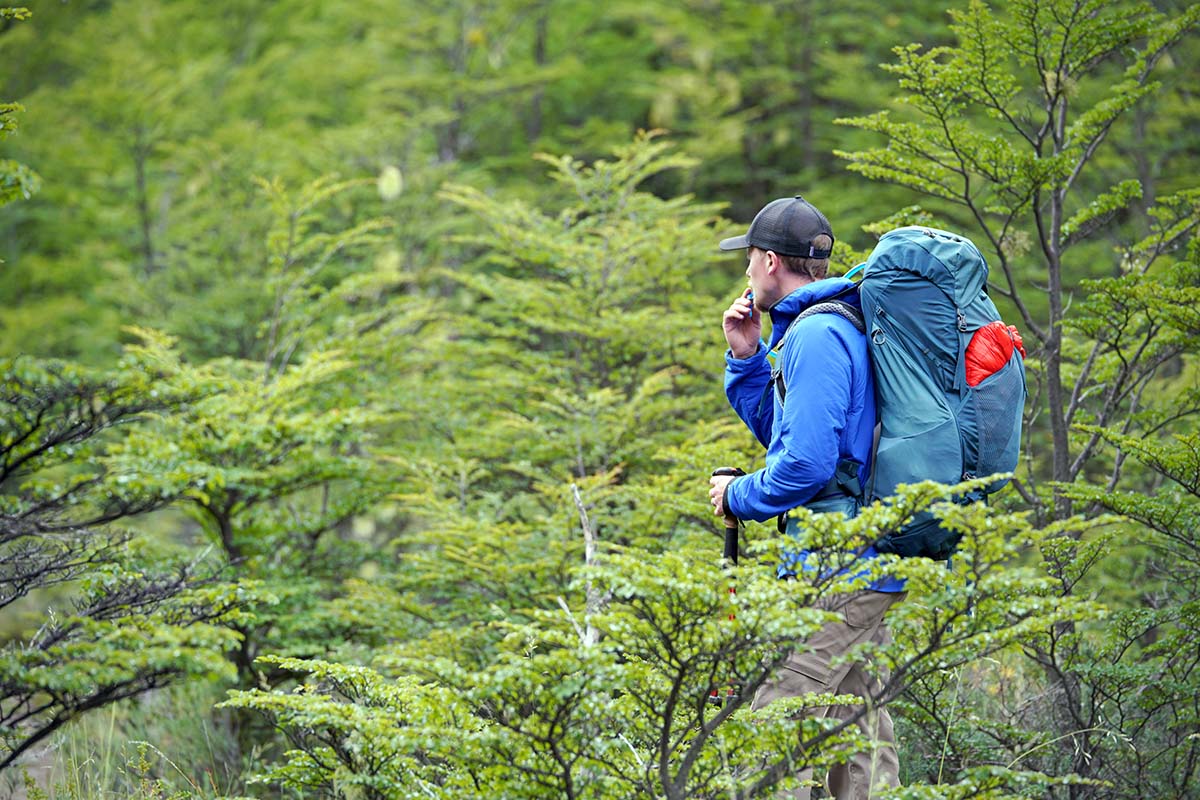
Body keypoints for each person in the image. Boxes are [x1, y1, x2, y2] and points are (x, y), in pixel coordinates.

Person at [707, 195, 906, 800]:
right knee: (858, 734)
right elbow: (805, 442)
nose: (745, 273)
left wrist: (737, 495)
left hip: (837, 560)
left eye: (747, 260)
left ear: (770, 261)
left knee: (777, 720)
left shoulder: (818, 335)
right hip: (866, 555)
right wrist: (748, 359)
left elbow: (808, 464)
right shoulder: (827, 324)